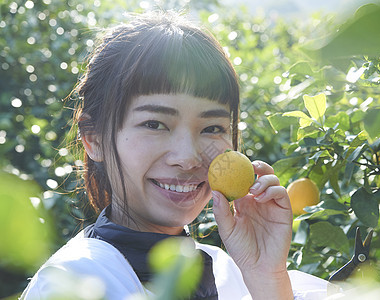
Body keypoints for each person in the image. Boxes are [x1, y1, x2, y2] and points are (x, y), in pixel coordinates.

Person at [20, 11, 330, 300]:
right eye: (154, 124)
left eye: (211, 128)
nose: (188, 158)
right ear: (93, 138)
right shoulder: (74, 281)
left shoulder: (228, 271)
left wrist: (266, 277)